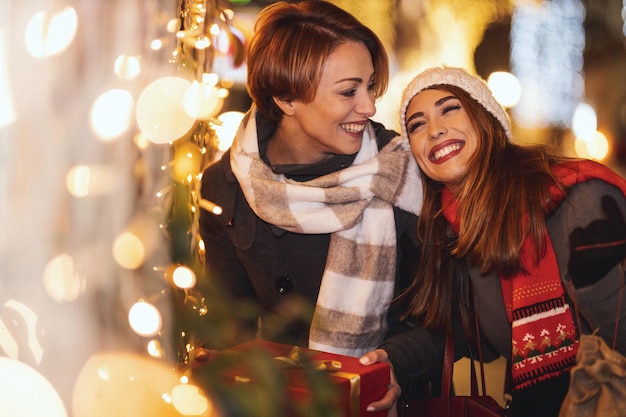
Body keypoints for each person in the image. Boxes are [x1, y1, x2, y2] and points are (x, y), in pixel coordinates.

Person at [360, 66, 626, 416]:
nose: (435, 129)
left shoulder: (579, 199)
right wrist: (395, 362)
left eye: (449, 108)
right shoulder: (452, 231)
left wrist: (598, 288)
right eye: (417, 124)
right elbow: (453, 329)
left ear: (486, 119)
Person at [197, 0, 422, 362]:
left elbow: (443, 321)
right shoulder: (228, 185)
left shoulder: (398, 171)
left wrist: (397, 363)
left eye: (370, 86)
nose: (369, 107)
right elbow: (229, 330)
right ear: (286, 97)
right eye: (349, 91)